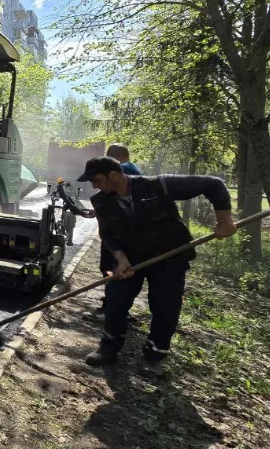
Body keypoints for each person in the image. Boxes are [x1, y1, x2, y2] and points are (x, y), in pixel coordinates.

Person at [77, 156, 235, 375]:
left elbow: (213, 184)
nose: (94, 186)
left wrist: (224, 221)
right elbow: (108, 234)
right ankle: (109, 347)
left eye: (97, 180)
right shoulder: (101, 200)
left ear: (113, 175)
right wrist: (120, 259)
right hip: (131, 258)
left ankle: (154, 356)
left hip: (169, 255)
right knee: (116, 298)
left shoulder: (157, 185)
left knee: (166, 306)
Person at [89, 144, 143, 320]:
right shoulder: (135, 169)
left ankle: (110, 311)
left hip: (118, 235)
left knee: (112, 271)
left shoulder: (123, 171)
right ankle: (116, 310)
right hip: (127, 234)